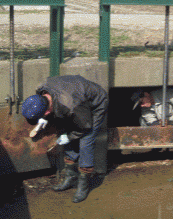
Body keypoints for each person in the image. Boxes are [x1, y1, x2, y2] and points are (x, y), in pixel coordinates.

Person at [21, 75, 108, 203]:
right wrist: (43, 121)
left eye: (43, 115)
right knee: (65, 130)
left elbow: (85, 127)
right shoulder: (41, 91)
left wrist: (69, 137)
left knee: (86, 140)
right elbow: (63, 114)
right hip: (75, 99)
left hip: (96, 104)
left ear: (46, 111)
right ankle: (71, 177)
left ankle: (84, 184)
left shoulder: (70, 106)